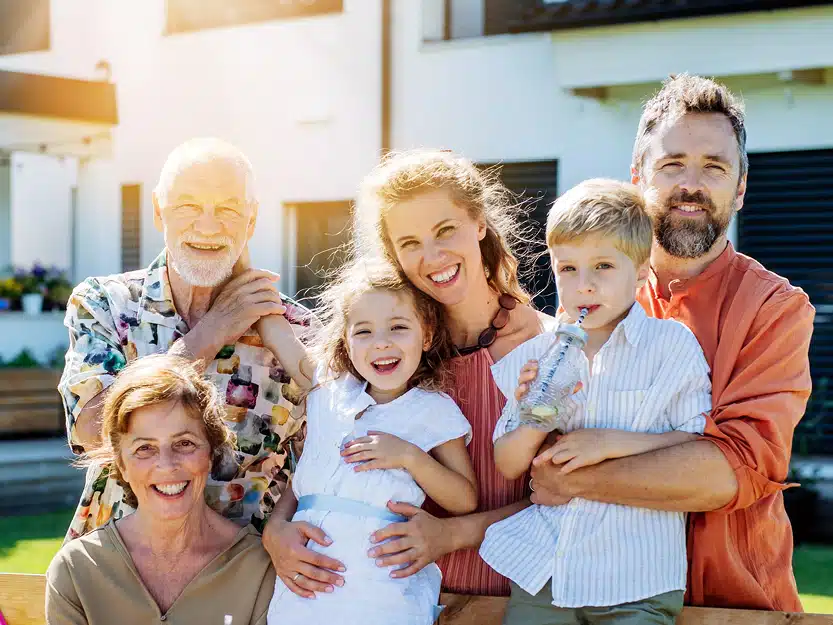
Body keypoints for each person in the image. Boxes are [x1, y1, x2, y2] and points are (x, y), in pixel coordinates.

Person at [526, 74, 815, 612]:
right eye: (672, 163)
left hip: (731, 603)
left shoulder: (775, 309)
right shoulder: (587, 298)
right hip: (596, 590)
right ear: (637, 178)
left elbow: (733, 470)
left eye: (714, 167)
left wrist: (573, 480)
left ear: (741, 187)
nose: (692, 183)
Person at [262, 149, 553, 599]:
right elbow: (325, 448)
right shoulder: (390, 355)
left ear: (479, 224)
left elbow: (566, 492)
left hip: (521, 598)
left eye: (445, 231)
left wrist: (454, 534)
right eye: (410, 243)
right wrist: (276, 529)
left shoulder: (548, 351)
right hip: (398, 597)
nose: (432, 256)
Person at [479, 179, 712, 624]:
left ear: (642, 274)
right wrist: (536, 412)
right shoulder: (536, 355)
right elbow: (508, 463)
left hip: (637, 576)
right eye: (568, 269)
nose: (584, 286)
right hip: (548, 571)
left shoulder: (671, 345)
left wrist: (608, 442)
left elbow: (695, 441)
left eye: (603, 266)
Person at [58, 138, 308, 539]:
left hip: (247, 580)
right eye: (188, 206)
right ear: (159, 212)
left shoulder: (297, 331)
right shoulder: (106, 303)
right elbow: (91, 429)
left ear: (252, 219)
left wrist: (280, 332)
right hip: (118, 572)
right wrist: (210, 333)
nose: (208, 227)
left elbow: (341, 443)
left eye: (227, 209)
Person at [255, 258, 476, 624]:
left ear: (427, 334)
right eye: (364, 332)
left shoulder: (433, 409)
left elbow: (464, 499)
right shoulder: (327, 390)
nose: (381, 344)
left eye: (398, 327)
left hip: (380, 589)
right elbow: (277, 334)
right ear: (346, 339)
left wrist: (411, 457)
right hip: (306, 593)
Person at [46, 354, 276, 625]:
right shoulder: (77, 569)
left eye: (185, 443)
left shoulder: (258, 568)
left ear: (211, 453)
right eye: (145, 448)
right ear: (122, 465)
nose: (167, 466)